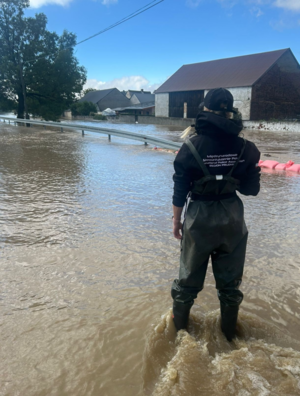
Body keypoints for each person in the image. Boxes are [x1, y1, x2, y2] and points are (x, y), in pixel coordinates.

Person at [171, 88, 261, 341]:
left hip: (199, 219)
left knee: (187, 283)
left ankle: (180, 337)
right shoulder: (246, 148)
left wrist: (176, 222)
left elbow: (180, 191)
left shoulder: (190, 147)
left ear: (205, 110)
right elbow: (251, 190)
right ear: (230, 112)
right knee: (230, 286)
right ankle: (229, 337)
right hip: (232, 219)